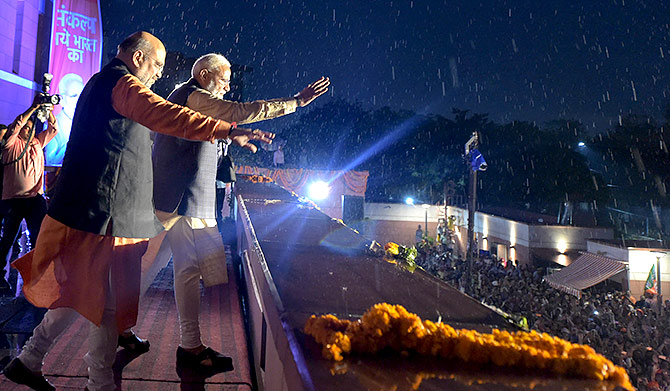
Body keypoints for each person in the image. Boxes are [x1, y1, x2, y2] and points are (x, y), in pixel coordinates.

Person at [2, 32, 273, 391]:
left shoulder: (103, 82)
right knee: (109, 300)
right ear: (138, 57)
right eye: (157, 64)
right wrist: (225, 129)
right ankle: (97, 382)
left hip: (97, 210)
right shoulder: (122, 84)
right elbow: (167, 115)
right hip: (104, 215)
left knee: (85, 291)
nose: (159, 74)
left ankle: (30, 360)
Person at [150, 52, 329, 374]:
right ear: (204, 76)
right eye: (224, 80)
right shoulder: (193, 95)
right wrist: (296, 102)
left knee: (170, 268)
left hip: (182, 199)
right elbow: (238, 112)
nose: (228, 87)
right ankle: (53, 341)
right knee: (160, 268)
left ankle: (183, 345)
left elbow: (221, 127)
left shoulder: (193, 98)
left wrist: (233, 135)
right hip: (178, 199)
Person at [0, 103, 57, 290]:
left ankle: (37, 274)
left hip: (35, 199)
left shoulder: (38, 143)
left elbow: (54, 128)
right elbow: (15, 126)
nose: (29, 130)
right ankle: (0, 276)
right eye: (26, 128)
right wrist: (32, 108)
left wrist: (48, 112)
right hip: (14, 200)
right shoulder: (10, 144)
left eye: (31, 127)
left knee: (38, 237)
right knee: (8, 239)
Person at [44, 73, 84, 166]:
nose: (79, 100)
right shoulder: (55, 125)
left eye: (81, 95)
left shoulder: (86, 122)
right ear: (61, 99)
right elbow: (51, 162)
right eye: (74, 96)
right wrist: (72, 142)